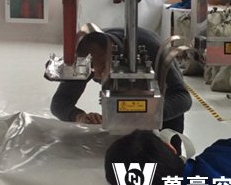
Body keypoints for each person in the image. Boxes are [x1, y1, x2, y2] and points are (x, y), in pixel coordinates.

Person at [50, 27, 192, 132]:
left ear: (113, 53)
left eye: (103, 67)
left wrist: (150, 115)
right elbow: (59, 102)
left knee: (167, 153)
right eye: (92, 69)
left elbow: (182, 97)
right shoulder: (86, 56)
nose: (97, 75)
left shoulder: (153, 49)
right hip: (127, 117)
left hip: (164, 107)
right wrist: (78, 116)